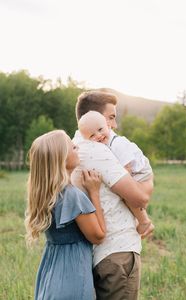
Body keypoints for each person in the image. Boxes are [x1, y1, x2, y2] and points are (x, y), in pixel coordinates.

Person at [71, 91, 154, 300]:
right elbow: (140, 198)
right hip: (118, 252)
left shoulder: (76, 146)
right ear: (93, 117)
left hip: (104, 254)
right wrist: (149, 180)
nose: (113, 125)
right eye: (110, 117)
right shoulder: (97, 151)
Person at [24, 129, 106, 300]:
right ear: (60, 157)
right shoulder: (72, 195)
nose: (76, 145)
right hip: (72, 276)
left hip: (49, 273)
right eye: (71, 145)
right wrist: (94, 192)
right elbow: (98, 236)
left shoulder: (46, 194)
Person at [78, 110, 154, 237]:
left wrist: (126, 185)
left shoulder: (118, 143)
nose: (98, 135)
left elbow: (127, 167)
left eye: (100, 129)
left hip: (139, 171)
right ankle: (142, 220)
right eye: (92, 136)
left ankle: (144, 221)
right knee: (126, 196)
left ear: (108, 125)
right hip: (134, 171)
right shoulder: (104, 146)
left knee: (129, 196)